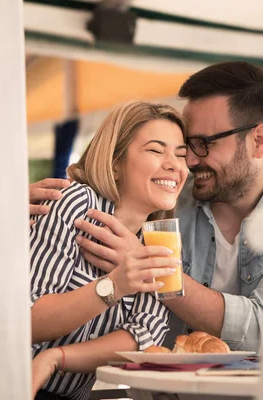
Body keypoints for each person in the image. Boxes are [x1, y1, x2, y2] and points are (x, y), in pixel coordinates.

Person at [29, 61, 263, 354]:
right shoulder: (167, 199)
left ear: (258, 141)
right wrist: (3, 210)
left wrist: (154, 270)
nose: (189, 161)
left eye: (203, 144)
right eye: (187, 146)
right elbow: (103, 188)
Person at [30, 101, 189, 400]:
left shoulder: (160, 242)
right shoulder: (74, 203)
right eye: (156, 150)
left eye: (181, 155)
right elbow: (27, 319)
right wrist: (114, 286)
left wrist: (56, 358)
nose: (174, 165)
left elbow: (143, 335)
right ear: (115, 163)